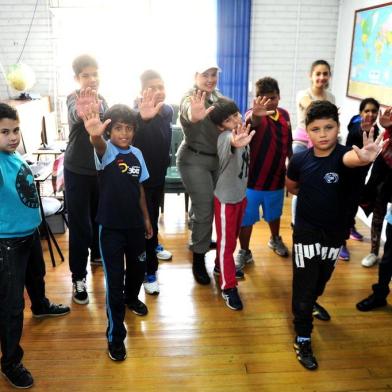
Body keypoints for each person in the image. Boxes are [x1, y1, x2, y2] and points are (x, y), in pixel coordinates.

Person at [286, 100, 384, 370]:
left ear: (337, 128)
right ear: (307, 131)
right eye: (316, 129)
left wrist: (364, 158)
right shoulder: (299, 159)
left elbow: (351, 158)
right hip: (306, 230)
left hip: (335, 232)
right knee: (304, 286)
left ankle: (312, 302)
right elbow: (292, 186)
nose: (323, 134)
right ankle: (303, 335)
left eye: (329, 127)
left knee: (322, 277)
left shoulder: (346, 155)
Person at [0, 103, 70, 389]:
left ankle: (40, 306)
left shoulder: (13, 155)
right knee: (12, 305)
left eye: (15, 130)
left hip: (28, 233)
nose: (13, 136)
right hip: (7, 242)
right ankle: (10, 362)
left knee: (36, 276)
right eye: (4, 132)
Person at [80, 93, 152, 361]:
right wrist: (95, 134)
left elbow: (140, 189)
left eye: (129, 128)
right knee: (115, 284)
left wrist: (146, 219)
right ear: (110, 130)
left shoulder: (138, 154)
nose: (124, 133)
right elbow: (97, 143)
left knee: (138, 270)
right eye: (119, 128)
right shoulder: (107, 151)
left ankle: (133, 298)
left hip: (135, 226)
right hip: (110, 228)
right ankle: (116, 336)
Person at [64, 54, 109, 305]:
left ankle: (97, 256)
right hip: (77, 171)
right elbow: (74, 114)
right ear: (76, 78)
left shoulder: (103, 99)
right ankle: (78, 277)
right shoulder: (74, 98)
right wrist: (83, 110)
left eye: (95, 73)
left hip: (100, 170)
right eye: (85, 75)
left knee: (98, 218)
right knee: (80, 225)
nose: (91, 79)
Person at [236, 77, 292, 269]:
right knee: (247, 218)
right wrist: (257, 115)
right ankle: (244, 251)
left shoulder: (285, 115)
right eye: (264, 98)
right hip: (252, 182)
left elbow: (289, 143)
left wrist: (292, 168)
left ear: (279, 96)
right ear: (257, 99)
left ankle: (275, 239)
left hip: (276, 181)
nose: (269, 102)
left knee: (274, 215)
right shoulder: (253, 114)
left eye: (273, 97)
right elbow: (254, 120)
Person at [209, 97, 255, 310]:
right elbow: (230, 141)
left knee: (231, 240)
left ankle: (221, 267)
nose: (235, 121)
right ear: (221, 126)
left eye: (236, 115)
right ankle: (228, 287)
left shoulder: (243, 131)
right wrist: (234, 140)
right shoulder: (225, 137)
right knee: (227, 244)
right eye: (229, 120)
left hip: (240, 196)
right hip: (227, 200)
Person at [177, 63, 221, 285]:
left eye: (214, 74)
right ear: (195, 76)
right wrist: (194, 115)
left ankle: (199, 239)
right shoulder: (190, 97)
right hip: (193, 159)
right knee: (205, 209)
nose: (210, 79)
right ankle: (198, 257)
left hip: (215, 159)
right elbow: (188, 111)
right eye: (205, 75)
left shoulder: (217, 96)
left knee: (202, 203)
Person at [132, 70, 173, 295]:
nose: (159, 91)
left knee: (154, 218)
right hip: (141, 182)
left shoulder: (167, 111)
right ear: (142, 92)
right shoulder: (134, 115)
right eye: (153, 88)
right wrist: (143, 119)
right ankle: (150, 271)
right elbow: (131, 142)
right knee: (145, 225)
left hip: (159, 176)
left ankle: (154, 245)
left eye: (161, 86)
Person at [291, 60, 335, 228]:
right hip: (302, 142)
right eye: (318, 73)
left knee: (321, 184)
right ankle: (297, 222)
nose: (322, 77)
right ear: (311, 75)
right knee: (301, 185)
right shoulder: (303, 94)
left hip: (323, 143)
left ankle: (316, 219)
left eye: (325, 74)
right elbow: (313, 110)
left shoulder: (331, 97)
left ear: (329, 76)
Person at [341, 98, 381, 262]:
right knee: (346, 207)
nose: (370, 114)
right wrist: (362, 130)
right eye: (367, 111)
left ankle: (350, 226)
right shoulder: (357, 128)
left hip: (361, 176)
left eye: (374, 111)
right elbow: (355, 135)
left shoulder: (376, 129)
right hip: (348, 175)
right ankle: (341, 242)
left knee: (353, 204)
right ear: (361, 113)